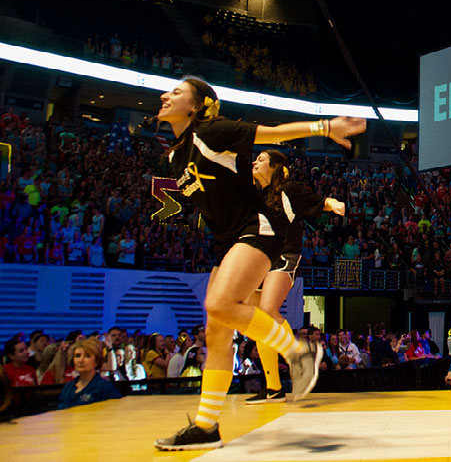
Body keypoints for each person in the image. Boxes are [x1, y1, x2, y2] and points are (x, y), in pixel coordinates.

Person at [151, 77, 365, 450]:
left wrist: (324, 127)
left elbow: (274, 133)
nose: (165, 95)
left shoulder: (213, 131)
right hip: (226, 242)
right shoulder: (174, 155)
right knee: (217, 332)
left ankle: (299, 352)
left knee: (218, 304)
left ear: (198, 106)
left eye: (177, 92)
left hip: (256, 232)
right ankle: (206, 427)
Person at [245, 149, 346, 405]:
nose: (255, 162)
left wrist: (333, 204)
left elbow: (317, 200)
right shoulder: (254, 194)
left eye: (261, 160)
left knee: (268, 310)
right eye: (255, 159)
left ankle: (300, 354)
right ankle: (273, 388)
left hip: (285, 255)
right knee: (259, 322)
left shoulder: (288, 189)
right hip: (258, 258)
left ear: (276, 167)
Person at [58, 338, 121, 409]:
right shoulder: (68, 388)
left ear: (96, 361)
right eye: (77, 356)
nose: (81, 360)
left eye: (87, 356)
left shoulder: (106, 388)